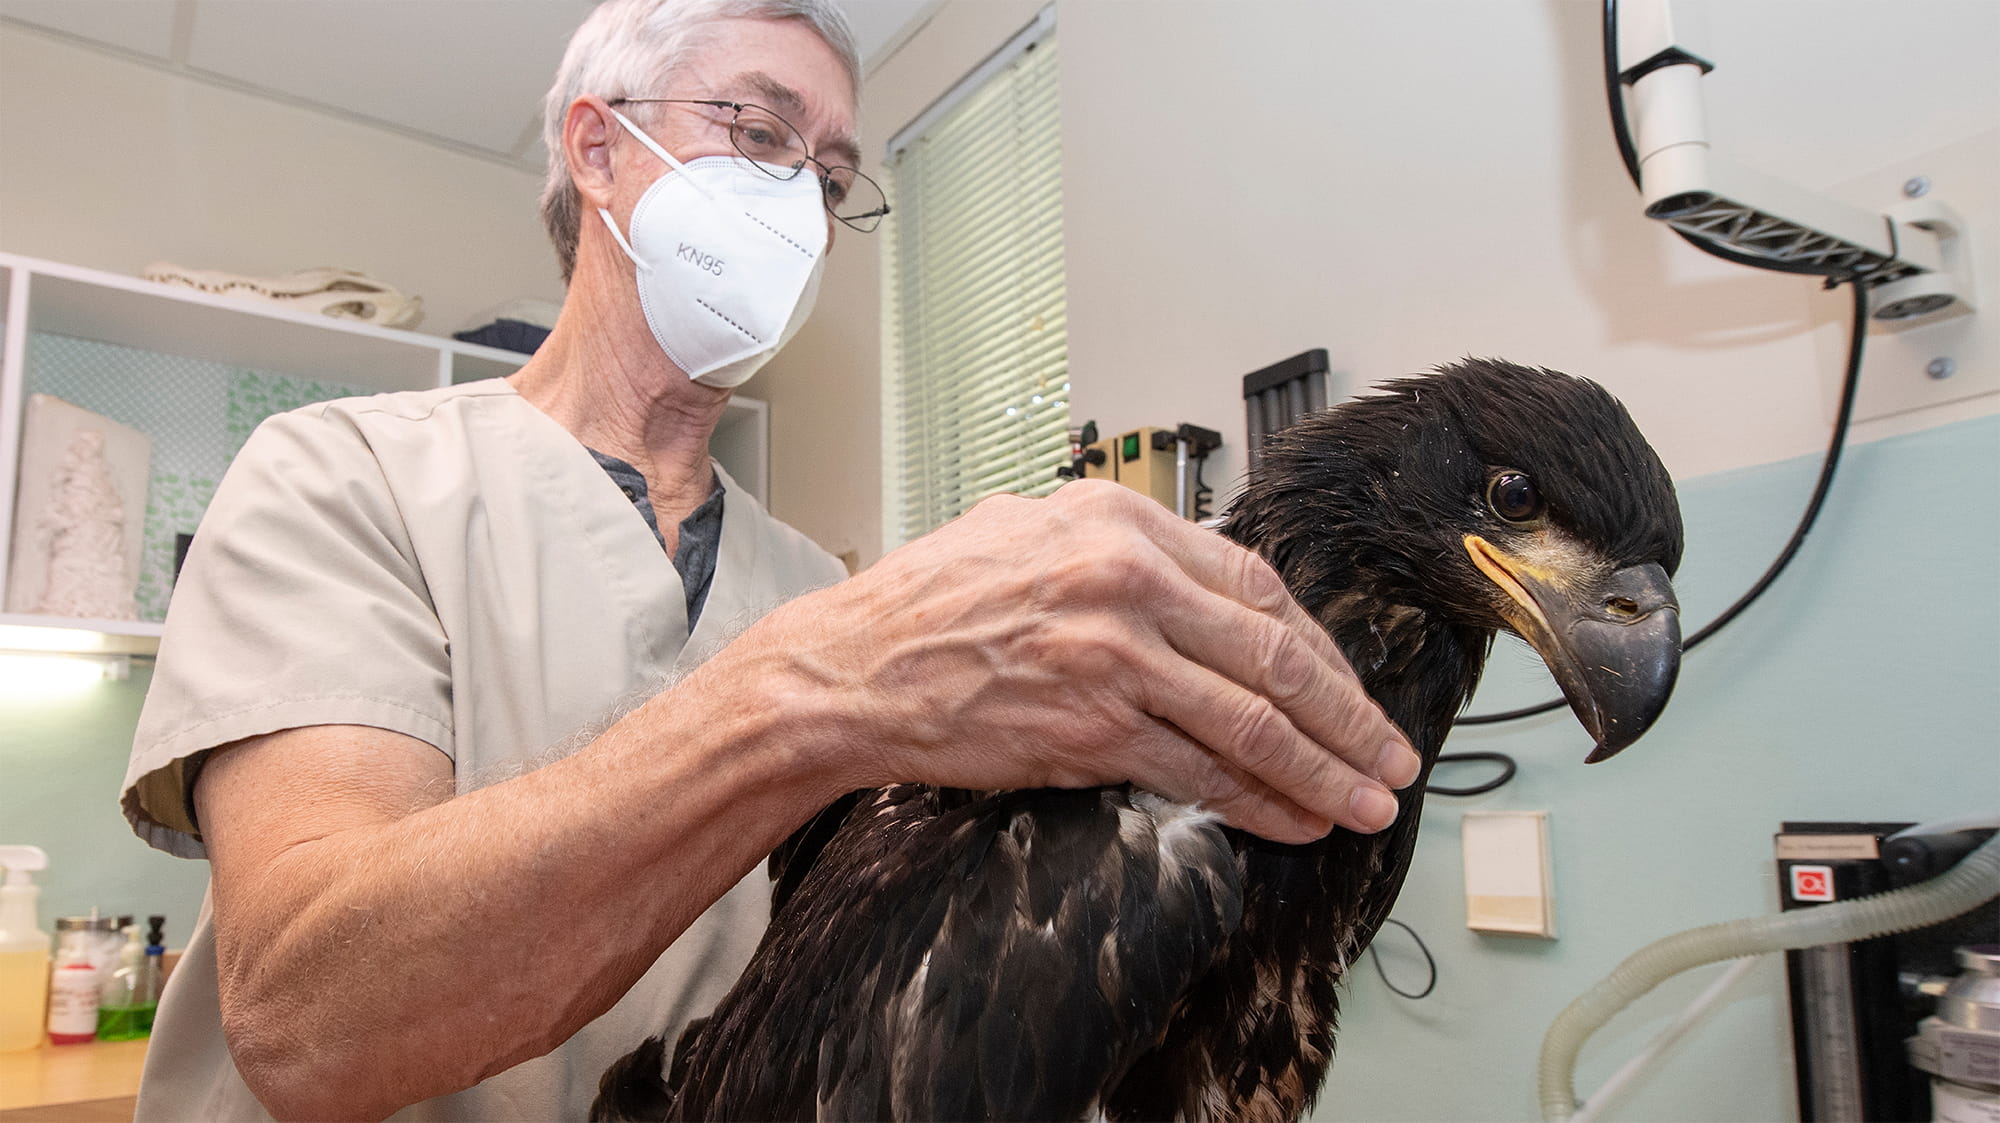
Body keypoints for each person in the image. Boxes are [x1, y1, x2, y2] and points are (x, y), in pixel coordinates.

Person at [118, 0, 1419, 1118]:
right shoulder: (339, 475)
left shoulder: (816, 583)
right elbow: (307, 1019)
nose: (800, 199)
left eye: (834, 175)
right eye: (758, 133)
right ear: (598, 150)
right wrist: (818, 692)